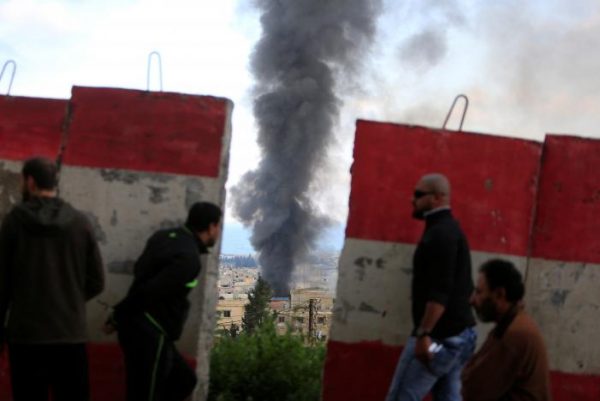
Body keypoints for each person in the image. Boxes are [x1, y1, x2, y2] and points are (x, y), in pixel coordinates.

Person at [0, 156, 105, 401]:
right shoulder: (80, 223)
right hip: (70, 334)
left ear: (30, 182)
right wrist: (69, 300)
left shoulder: (15, 221)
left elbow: (2, 284)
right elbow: (97, 281)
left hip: (26, 336)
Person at [105, 201, 222, 401]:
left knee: (183, 379)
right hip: (150, 331)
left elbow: (140, 272)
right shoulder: (189, 258)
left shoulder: (164, 237)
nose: (219, 232)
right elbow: (150, 291)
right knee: (145, 394)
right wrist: (117, 315)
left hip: (143, 329)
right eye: (219, 226)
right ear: (211, 227)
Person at [386, 173, 477, 401]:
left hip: (438, 340)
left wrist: (423, 334)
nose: (412, 199)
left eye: (418, 195)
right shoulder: (449, 229)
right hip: (460, 337)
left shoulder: (440, 235)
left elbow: (440, 293)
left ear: (437, 198)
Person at [462, 259, 551, 401]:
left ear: (499, 294)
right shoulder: (512, 323)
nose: (472, 300)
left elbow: (474, 389)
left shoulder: (514, 334)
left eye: (479, 292)